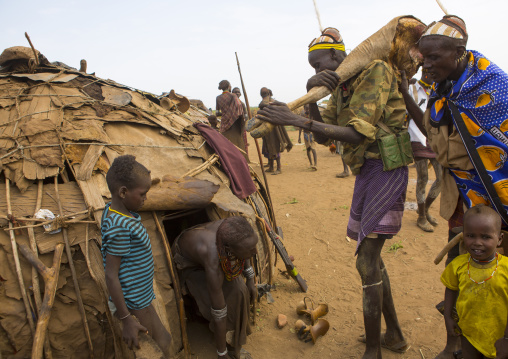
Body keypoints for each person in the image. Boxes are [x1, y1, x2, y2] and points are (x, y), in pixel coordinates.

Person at [257, 25, 416, 358]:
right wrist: (312, 95)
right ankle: (395, 336)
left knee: (367, 262)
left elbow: (357, 134)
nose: (317, 71)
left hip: (386, 167)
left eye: (320, 65)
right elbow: (322, 135)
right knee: (373, 260)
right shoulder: (343, 86)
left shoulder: (375, 69)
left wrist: (296, 120)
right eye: (312, 68)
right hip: (368, 171)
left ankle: (374, 349)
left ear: (338, 56)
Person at [401, 15, 508, 358]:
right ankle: (457, 342)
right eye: (423, 56)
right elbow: (433, 132)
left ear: (460, 52)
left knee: (498, 277)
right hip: (461, 197)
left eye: (433, 58)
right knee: (463, 272)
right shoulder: (442, 87)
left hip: (499, 200)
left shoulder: (492, 86)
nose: (425, 64)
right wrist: (404, 92)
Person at [101, 155, 172, 355]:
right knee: (163, 343)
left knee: (164, 340)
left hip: (139, 295)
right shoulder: (120, 227)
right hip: (134, 301)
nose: (145, 199)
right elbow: (110, 275)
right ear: (123, 192)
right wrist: (126, 319)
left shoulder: (117, 212)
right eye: (142, 194)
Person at [172, 217, 257, 359]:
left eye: (255, 245)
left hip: (210, 248)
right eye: (250, 249)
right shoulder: (212, 256)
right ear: (229, 249)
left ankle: (234, 340)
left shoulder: (234, 231)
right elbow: (219, 311)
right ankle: (227, 346)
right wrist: (221, 353)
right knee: (230, 297)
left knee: (240, 290)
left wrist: (250, 278)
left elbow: (246, 249)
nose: (255, 252)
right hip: (189, 263)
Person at [441, 204, 507, 358]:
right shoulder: (459, 265)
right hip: (469, 331)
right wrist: (448, 317)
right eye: (470, 236)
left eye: (485, 237)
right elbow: (451, 288)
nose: (477, 242)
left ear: (499, 239)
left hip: (499, 336)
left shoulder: (506, 269)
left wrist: (507, 339)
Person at [406, 71, 443, 232]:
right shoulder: (412, 88)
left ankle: (425, 209)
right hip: (417, 137)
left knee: (441, 178)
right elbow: (407, 111)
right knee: (423, 178)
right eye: (426, 71)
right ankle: (421, 217)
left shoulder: (436, 90)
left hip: (434, 139)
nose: (429, 74)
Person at [259, 87, 292, 175]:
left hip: (274, 128)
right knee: (270, 147)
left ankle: (278, 168)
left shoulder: (266, 103)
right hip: (269, 129)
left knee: (274, 147)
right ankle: (271, 167)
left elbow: (262, 108)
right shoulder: (271, 102)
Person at [214, 80, 248, 160]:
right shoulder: (233, 96)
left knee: (226, 145)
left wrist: (225, 114)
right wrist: (232, 114)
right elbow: (239, 109)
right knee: (238, 145)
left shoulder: (218, 98)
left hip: (224, 125)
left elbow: (217, 113)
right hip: (234, 125)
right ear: (229, 86)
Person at [298, 104, 317, 170]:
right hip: (305, 133)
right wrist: (299, 136)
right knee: (308, 149)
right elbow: (300, 126)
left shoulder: (311, 115)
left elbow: (314, 124)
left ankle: (315, 164)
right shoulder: (302, 115)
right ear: (304, 109)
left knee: (313, 149)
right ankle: (311, 164)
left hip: (311, 133)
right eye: (307, 109)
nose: (308, 110)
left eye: (309, 108)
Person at [232, 87, 249, 158]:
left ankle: (244, 159)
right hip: (232, 127)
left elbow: (246, 115)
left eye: (238, 92)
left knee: (242, 144)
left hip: (241, 127)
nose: (237, 93)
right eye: (235, 92)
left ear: (240, 94)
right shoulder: (230, 104)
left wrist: (242, 120)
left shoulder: (242, 104)